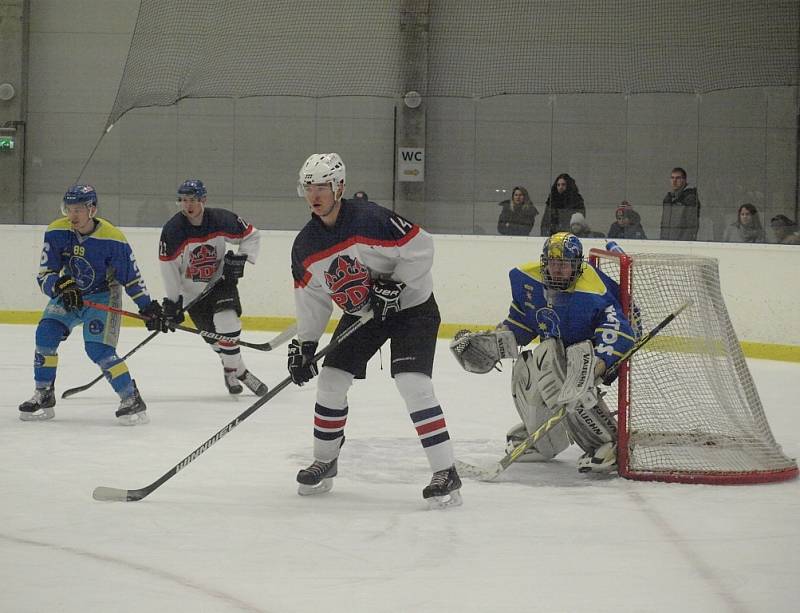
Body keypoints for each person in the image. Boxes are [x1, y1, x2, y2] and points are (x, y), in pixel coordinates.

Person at [288, 152, 461, 507]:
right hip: (364, 312)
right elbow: (314, 298)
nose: (315, 194)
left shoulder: (371, 218)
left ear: (339, 187)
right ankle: (325, 459)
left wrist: (396, 284)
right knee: (331, 379)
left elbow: (421, 246)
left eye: (322, 186)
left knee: (413, 384)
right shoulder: (305, 246)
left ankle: (446, 471)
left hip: (412, 307)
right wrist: (305, 344)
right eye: (309, 187)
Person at [450, 233, 636, 474]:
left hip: (600, 348)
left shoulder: (593, 291)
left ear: (577, 265)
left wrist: (594, 369)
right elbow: (522, 323)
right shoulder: (529, 279)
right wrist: (495, 342)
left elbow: (619, 333)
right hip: (563, 346)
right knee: (527, 366)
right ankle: (544, 442)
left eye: (564, 264)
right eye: (552, 263)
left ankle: (608, 442)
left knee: (568, 374)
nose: (557, 269)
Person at [19, 185, 160, 425]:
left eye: (78, 210)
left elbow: (132, 277)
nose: (72, 215)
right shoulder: (56, 231)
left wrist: (147, 307)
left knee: (98, 350)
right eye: (69, 209)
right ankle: (43, 392)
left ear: (92, 209)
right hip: (69, 294)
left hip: (103, 296)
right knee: (45, 334)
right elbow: (45, 274)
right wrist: (60, 285)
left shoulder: (112, 238)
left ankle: (130, 397)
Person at [156, 179, 267, 396]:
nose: (188, 205)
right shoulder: (173, 230)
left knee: (227, 322)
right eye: (184, 200)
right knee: (216, 343)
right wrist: (173, 301)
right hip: (192, 294)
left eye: (194, 200)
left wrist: (240, 260)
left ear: (203, 200)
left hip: (220, 283)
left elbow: (252, 235)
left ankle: (239, 373)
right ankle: (236, 370)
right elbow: (168, 266)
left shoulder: (220, 219)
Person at [660, 167, 700, 240]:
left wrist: (683, 244)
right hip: (666, 244)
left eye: (678, 178)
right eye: (672, 178)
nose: (674, 181)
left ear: (684, 180)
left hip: (680, 245)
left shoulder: (690, 198)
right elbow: (664, 224)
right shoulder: (668, 199)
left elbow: (691, 226)